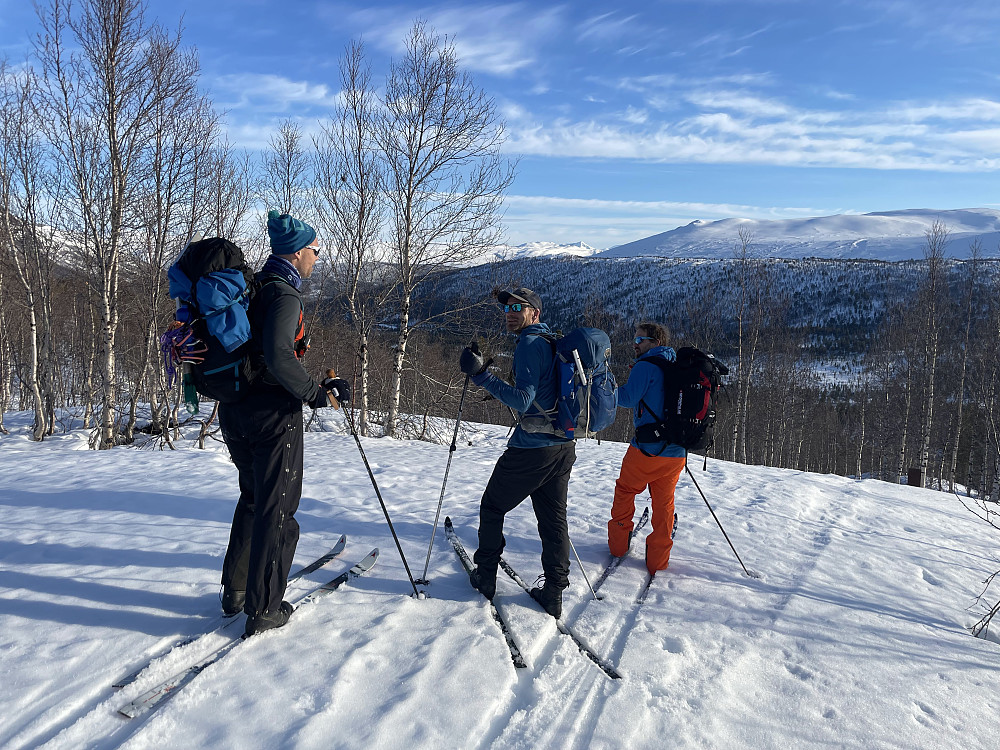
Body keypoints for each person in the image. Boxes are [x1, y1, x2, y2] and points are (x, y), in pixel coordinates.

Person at [219, 210, 351, 636]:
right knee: (278, 509)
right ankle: (264, 609)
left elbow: (265, 353)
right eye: (315, 250)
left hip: (235, 409)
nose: (318, 257)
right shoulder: (283, 295)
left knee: (254, 497)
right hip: (271, 417)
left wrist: (308, 375)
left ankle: (236, 592)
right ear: (297, 253)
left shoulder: (254, 288)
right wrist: (315, 393)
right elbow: (277, 357)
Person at [459, 287, 575, 618]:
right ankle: (553, 592)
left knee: (492, 506)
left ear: (534, 313)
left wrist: (482, 376)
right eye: (507, 307)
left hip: (532, 450)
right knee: (553, 519)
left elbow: (523, 400)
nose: (509, 312)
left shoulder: (528, 343)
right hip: (563, 446)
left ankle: (485, 576)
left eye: (517, 308)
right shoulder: (552, 342)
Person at [608, 321, 685, 576]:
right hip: (676, 452)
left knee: (626, 490)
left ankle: (619, 547)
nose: (635, 343)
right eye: (635, 338)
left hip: (647, 449)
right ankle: (658, 561)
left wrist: (605, 391)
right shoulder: (677, 365)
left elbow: (628, 398)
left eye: (640, 340)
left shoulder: (645, 366)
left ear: (655, 342)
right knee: (664, 503)